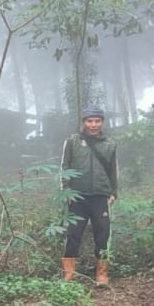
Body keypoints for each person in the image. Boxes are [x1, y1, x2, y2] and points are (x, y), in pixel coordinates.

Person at [60, 106, 118, 285]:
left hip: (100, 195)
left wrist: (113, 192)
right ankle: (69, 273)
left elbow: (113, 170)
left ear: (102, 122)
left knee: (102, 234)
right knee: (73, 233)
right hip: (77, 196)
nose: (93, 125)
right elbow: (64, 166)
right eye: (89, 121)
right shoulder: (72, 141)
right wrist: (66, 190)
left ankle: (101, 273)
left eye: (97, 121)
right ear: (83, 122)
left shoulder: (110, 144)